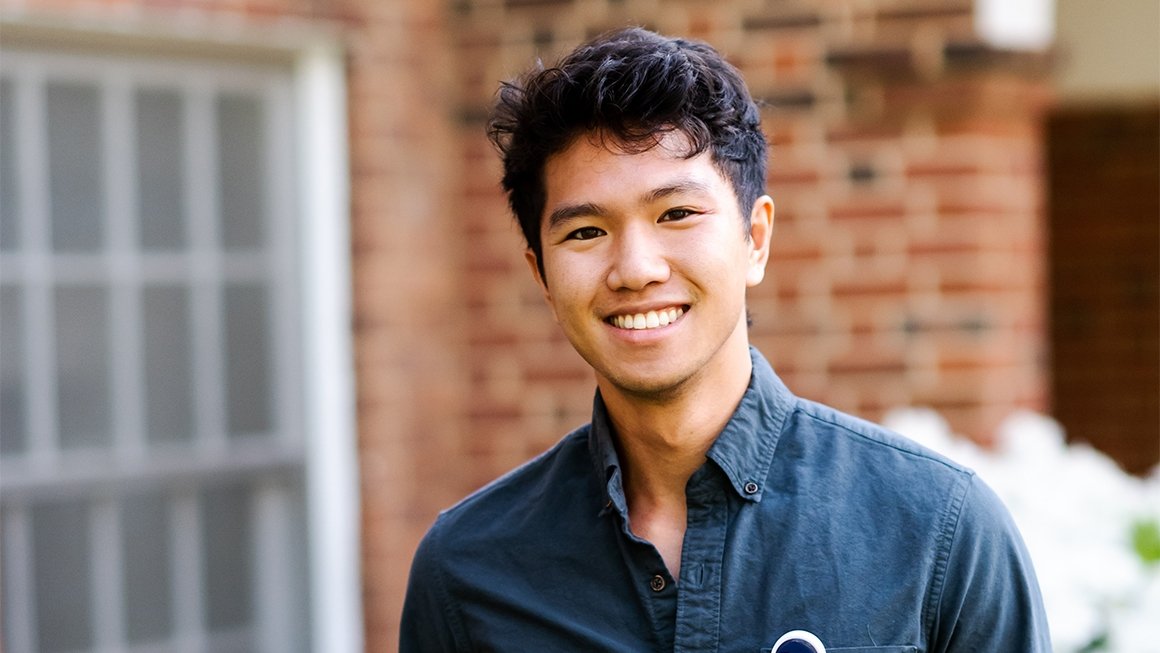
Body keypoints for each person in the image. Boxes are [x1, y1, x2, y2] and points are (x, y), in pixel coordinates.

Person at [401, 27, 1051, 652]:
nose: (636, 268)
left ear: (756, 239)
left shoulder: (937, 530)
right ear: (540, 273)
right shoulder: (467, 569)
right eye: (585, 232)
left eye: (676, 214)